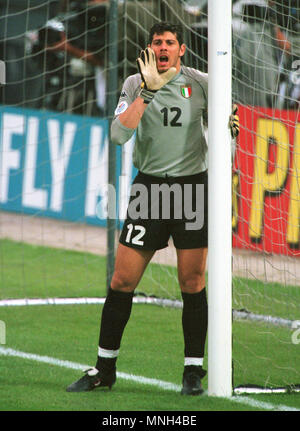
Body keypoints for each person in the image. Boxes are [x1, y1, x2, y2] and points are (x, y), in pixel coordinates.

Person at [66, 21, 239, 396]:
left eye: (170, 42)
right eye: (157, 42)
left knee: (192, 283)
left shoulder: (205, 82)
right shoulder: (134, 83)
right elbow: (117, 135)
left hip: (192, 189)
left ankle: (193, 371)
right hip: (148, 190)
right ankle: (104, 369)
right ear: (149, 48)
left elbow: (229, 129)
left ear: (182, 50)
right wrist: (147, 92)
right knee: (122, 281)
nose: (163, 47)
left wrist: (230, 125)